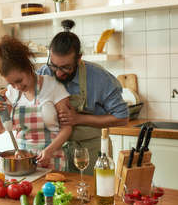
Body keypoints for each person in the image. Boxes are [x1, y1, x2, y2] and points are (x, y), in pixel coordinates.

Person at [36, 20, 128, 174]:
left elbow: (122, 118)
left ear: (78, 59)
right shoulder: (44, 73)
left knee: (93, 194)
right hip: (56, 151)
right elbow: (22, 93)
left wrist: (79, 119)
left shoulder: (99, 77)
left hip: (92, 149)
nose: (58, 73)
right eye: (54, 65)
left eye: (65, 67)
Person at [0, 35, 72, 171]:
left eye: (19, 80)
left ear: (28, 68)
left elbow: (67, 128)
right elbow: (0, 129)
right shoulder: (11, 92)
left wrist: (49, 151)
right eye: (11, 83)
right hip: (22, 164)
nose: (17, 87)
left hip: (52, 161)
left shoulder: (53, 87)